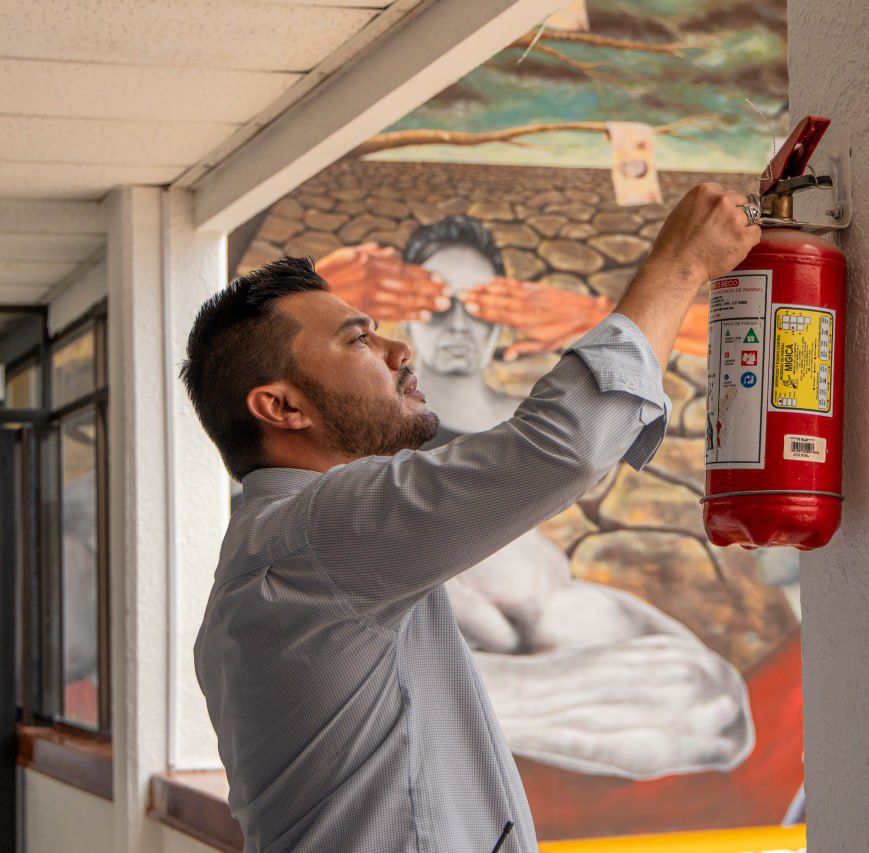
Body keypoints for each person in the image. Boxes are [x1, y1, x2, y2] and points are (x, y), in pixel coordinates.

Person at [181, 183, 760, 852]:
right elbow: (566, 445)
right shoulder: (315, 534)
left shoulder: (282, 552)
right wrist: (680, 264)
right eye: (359, 340)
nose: (400, 351)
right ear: (282, 407)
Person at [318, 216, 754, 781]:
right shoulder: (361, 464)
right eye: (434, 303)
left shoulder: (536, 430)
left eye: (479, 304)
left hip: (508, 648)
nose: (458, 323)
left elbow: (712, 706)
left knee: (714, 699)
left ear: (503, 317)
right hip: (426, 663)